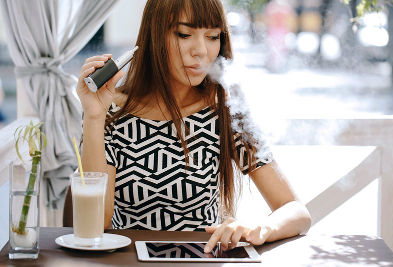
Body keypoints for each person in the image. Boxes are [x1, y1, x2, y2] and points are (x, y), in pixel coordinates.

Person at [68, 0, 311, 253]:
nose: (201, 51)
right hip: (126, 262)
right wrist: (93, 118)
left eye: (213, 36)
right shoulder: (110, 112)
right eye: (184, 34)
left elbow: (296, 211)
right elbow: (95, 225)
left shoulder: (226, 111)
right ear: (155, 36)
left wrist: (259, 228)